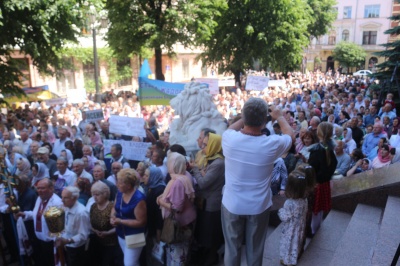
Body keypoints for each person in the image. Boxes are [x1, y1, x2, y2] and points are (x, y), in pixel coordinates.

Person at [221, 98, 294, 266]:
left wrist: (247, 117)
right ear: (264, 121)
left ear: (243, 118)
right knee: (255, 251)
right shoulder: (271, 143)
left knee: (232, 249)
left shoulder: (229, 139)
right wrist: (279, 116)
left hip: (232, 204)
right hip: (258, 206)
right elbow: (290, 135)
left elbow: (230, 128)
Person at [191, 133, 225, 265]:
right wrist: (201, 172)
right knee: (204, 233)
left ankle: (212, 259)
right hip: (204, 202)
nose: (203, 147)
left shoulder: (218, 163)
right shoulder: (209, 159)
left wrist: (196, 169)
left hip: (212, 204)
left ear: (213, 145)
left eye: (205, 145)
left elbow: (203, 183)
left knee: (210, 235)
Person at [157, 152, 196, 265]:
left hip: (179, 224)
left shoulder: (177, 182)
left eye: (169, 163)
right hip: (188, 220)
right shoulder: (185, 174)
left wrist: (161, 202)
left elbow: (177, 208)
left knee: (177, 256)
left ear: (173, 165)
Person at [19, 179, 63, 266]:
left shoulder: (57, 202)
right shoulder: (39, 198)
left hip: (51, 243)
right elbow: (37, 214)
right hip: (40, 239)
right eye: (38, 188)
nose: (39, 190)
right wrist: (25, 214)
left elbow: (59, 226)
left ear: (51, 188)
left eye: (42, 188)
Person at [279, 167, 315, 266]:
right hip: (300, 227)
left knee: (288, 244)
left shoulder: (289, 203)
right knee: (296, 244)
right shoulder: (304, 200)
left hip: (290, 229)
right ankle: (293, 259)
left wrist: (280, 211)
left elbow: (285, 217)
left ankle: (286, 260)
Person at [110, 168, 147, 266]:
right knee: (132, 262)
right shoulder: (119, 193)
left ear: (129, 185)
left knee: (129, 263)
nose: (117, 184)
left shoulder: (139, 199)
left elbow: (141, 222)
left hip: (134, 236)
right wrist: (112, 217)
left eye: (120, 183)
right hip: (121, 234)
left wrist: (120, 221)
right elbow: (114, 207)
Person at [308, 122, 338, 234]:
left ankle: (313, 230)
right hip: (324, 183)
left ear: (319, 132)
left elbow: (311, 168)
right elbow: (333, 163)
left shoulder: (317, 150)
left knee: (315, 209)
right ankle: (316, 228)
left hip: (316, 184)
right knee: (319, 209)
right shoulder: (328, 148)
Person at [89, 181, 123, 266]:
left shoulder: (112, 208)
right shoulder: (93, 206)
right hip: (97, 243)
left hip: (111, 244)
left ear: (105, 194)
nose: (95, 197)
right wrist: (95, 230)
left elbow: (119, 226)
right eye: (93, 194)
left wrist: (107, 233)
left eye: (97, 194)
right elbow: (89, 222)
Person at [56, 186, 90, 266]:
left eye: (65, 198)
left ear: (74, 198)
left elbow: (83, 235)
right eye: (62, 197)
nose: (62, 200)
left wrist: (68, 241)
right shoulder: (66, 206)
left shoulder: (81, 213)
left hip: (76, 249)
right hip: (66, 245)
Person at [141, 166, 166, 264]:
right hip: (150, 227)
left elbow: (159, 214)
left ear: (154, 177)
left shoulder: (160, 190)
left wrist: (158, 233)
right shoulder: (151, 187)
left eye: (147, 175)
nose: (143, 177)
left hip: (156, 230)